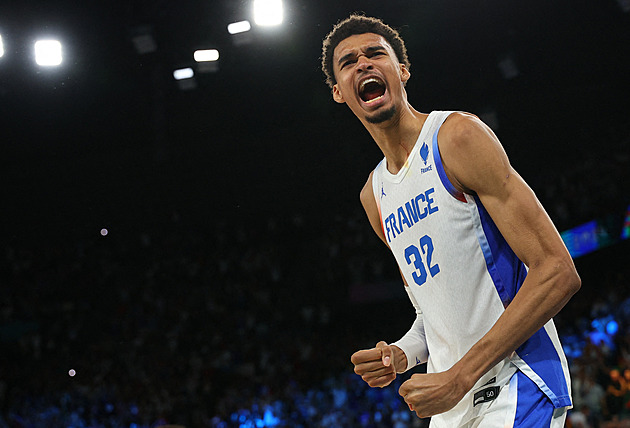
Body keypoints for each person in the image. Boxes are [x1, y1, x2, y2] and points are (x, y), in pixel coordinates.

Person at [321, 14, 581, 427]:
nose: (364, 64)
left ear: (402, 71)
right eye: (349, 62)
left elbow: (557, 271)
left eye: (376, 54)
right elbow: (431, 314)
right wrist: (401, 353)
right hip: (451, 407)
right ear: (339, 92)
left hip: (517, 383)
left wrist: (460, 375)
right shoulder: (374, 196)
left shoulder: (455, 137)